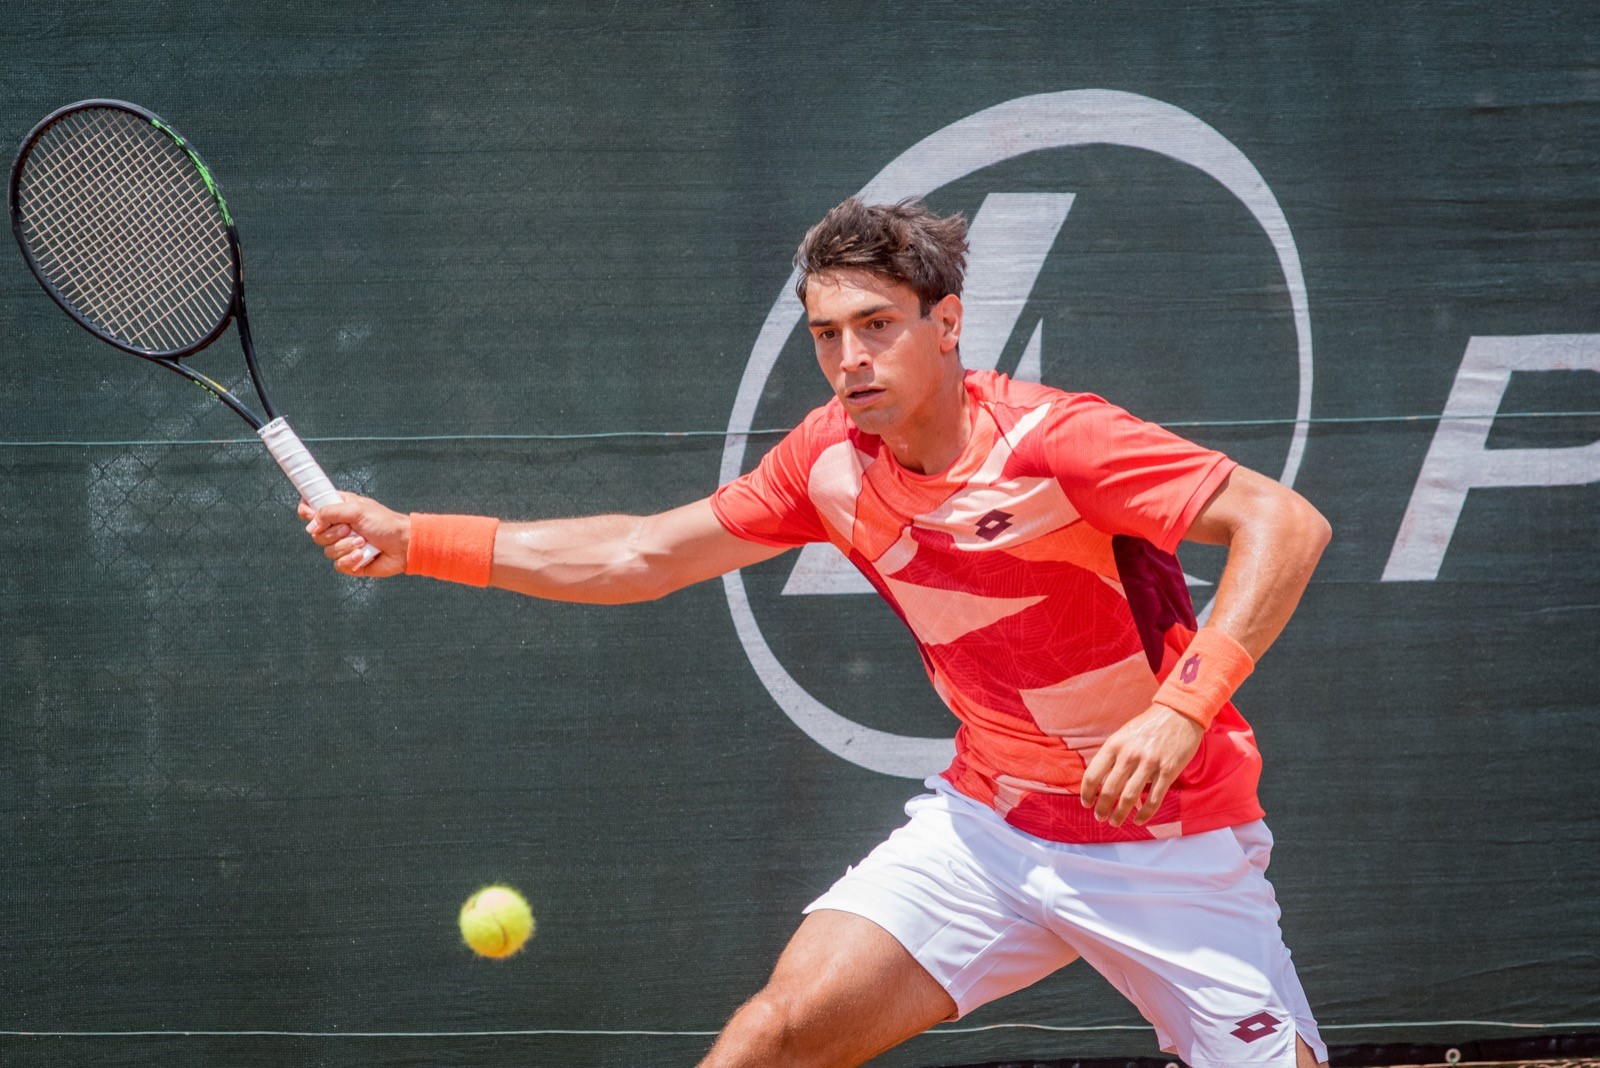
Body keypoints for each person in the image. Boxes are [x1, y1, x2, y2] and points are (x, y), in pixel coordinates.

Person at [302, 197, 1332, 1068]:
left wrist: (1180, 710)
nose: (850, 359)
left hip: (1165, 839)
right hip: (991, 828)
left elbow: (1284, 523)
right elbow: (642, 555)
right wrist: (417, 539)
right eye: (827, 335)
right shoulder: (828, 459)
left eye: (876, 325)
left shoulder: (1056, 441)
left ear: (947, 323)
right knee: (776, 1034)